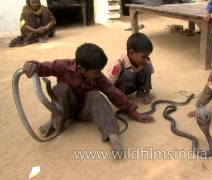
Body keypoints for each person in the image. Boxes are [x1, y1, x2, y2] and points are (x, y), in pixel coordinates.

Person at [22, 43, 154, 158]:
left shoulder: (98, 77)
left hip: (84, 110)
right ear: (80, 68)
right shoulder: (62, 66)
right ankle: (55, 122)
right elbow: (45, 67)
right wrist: (32, 65)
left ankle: (112, 136)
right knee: (61, 89)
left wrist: (134, 112)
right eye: (96, 72)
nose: (99, 75)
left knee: (96, 96)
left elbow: (114, 93)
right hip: (65, 106)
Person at [107, 33, 155, 104]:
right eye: (143, 57)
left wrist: (147, 93)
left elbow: (149, 74)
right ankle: (122, 97)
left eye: (147, 56)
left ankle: (141, 92)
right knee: (128, 74)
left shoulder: (146, 60)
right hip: (122, 88)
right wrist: (115, 97)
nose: (146, 59)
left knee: (147, 67)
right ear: (132, 53)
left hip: (134, 84)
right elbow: (109, 84)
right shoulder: (117, 64)